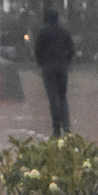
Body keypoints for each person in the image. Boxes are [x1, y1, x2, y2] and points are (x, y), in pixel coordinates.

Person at [33, 9, 76, 137]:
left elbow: (37, 51)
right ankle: (66, 126)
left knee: (53, 98)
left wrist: (42, 63)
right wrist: (66, 62)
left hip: (48, 68)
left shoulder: (43, 33)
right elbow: (72, 49)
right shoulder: (64, 32)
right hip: (62, 68)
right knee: (63, 97)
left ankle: (56, 129)